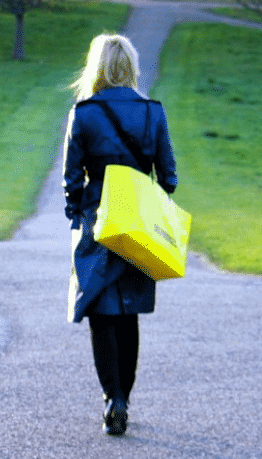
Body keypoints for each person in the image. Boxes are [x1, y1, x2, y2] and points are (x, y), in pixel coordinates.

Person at [62, 33, 178, 436]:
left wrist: (77, 217)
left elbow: (71, 182)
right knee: (128, 313)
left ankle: (113, 398)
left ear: (96, 67)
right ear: (130, 66)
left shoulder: (84, 113)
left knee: (100, 312)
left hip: (97, 221)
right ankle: (123, 397)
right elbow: (170, 178)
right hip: (138, 221)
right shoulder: (152, 112)